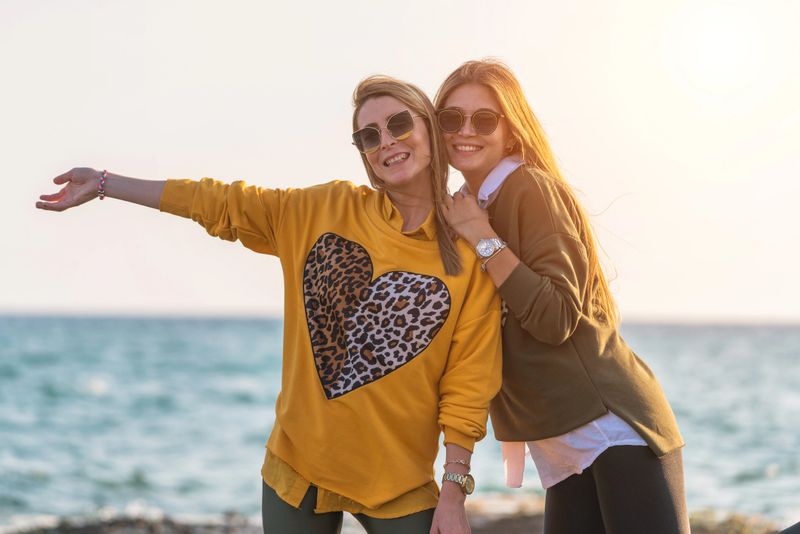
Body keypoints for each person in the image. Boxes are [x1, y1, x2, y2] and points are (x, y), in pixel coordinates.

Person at [36, 76, 503, 534]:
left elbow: (468, 382)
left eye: (399, 124)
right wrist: (104, 183)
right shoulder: (324, 209)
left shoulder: (469, 250)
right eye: (369, 135)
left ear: (427, 128)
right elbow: (218, 202)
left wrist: (453, 492)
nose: (387, 142)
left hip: (398, 484)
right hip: (297, 468)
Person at [435, 59, 689, 533]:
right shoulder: (472, 207)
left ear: (511, 130)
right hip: (561, 442)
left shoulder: (526, 188)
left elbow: (555, 317)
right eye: (451, 118)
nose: (465, 130)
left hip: (609, 425)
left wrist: (481, 236)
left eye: (484, 119)